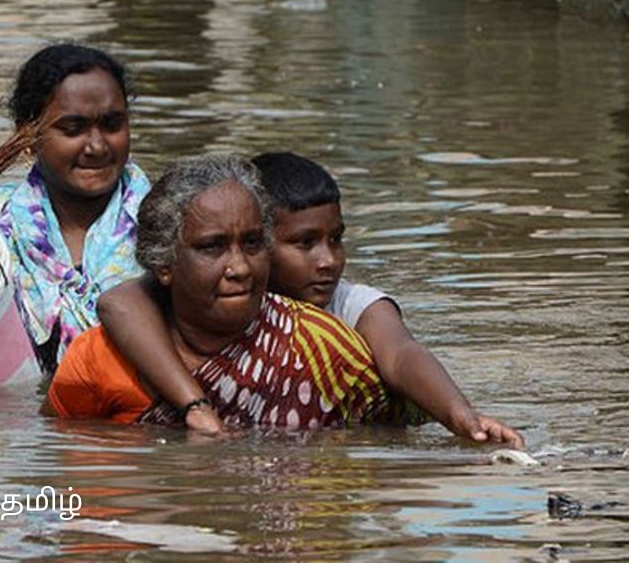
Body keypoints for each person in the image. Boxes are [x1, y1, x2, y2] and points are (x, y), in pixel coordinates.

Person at [97, 152, 524, 448]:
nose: (328, 261)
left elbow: (401, 355)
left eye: (336, 240)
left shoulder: (349, 306)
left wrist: (460, 416)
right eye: (304, 244)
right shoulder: (204, 295)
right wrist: (195, 405)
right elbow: (120, 301)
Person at [45, 154, 426, 428]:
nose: (240, 268)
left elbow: (395, 434)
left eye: (253, 243)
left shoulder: (322, 347)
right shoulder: (98, 360)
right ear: (164, 265)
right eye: (212, 247)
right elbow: (61, 457)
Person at [0, 44, 149, 374]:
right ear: (27, 136)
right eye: (73, 129)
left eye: (113, 125)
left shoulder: (166, 222)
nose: (97, 146)